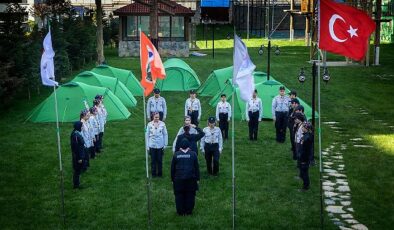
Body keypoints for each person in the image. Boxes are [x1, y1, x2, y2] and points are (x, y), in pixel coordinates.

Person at [171, 139, 200, 215]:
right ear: (188, 146)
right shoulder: (193, 154)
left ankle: (180, 211)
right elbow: (197, 167)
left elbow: (172, 169)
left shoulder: (176, 155)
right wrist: (198, 179)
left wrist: (172, 179)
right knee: (190, 195)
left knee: (179, 195)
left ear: (180, 146)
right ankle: (188, 211)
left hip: (178, 179)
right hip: (191, 179)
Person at [146, 112, 168, 177]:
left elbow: (165, 134)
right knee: (153, 160)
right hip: (152, 145)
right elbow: (147, 135)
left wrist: (165, 144)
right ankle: (153, 174)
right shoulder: (149, 124)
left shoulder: (162, 124)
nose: (157, 118)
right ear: (153, 117)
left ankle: (160, 173)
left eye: (158, 117)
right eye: (155, 117)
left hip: (160, 145)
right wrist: (147, 145)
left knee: (159, 160)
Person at [299, 122, 314, 191]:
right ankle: (305, 184)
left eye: (303, 127)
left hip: (304, 158)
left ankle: (306, 186)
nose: (302, 128)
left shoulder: (306, 138)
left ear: (306, 129)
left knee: (304, 172)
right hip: (305, 157)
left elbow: (305, 150)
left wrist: (302, 159)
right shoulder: (308, 135)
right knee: (304, 172)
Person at [70, 121, 85, 189]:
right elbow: (76, 148)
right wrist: (79, 158)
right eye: (81, 126)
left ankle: (77, 183)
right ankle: (76, 185)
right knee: (77, 170)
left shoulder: (76, 133)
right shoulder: (75, 136)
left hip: (79, 154)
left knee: (78, 170)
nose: (82, 127)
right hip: (77, 156)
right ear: (78, 127)